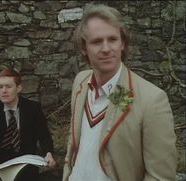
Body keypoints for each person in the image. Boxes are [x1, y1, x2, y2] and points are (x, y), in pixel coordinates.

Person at [63, 4, 177, 181]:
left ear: (122, 43)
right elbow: (75, 139)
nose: (106, 48)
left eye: (112, 39)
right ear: (84, 48)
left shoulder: (151, 100)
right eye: (96, 41)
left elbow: (160, 177)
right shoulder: (81, 82)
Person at [0, 68, 56, 181]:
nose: (4, 91)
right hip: (0, 160)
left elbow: (44, 136)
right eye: (0, 87)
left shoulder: (33, 108)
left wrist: (48, 154)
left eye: (8, 86)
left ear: (18, 88)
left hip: (25, 159)